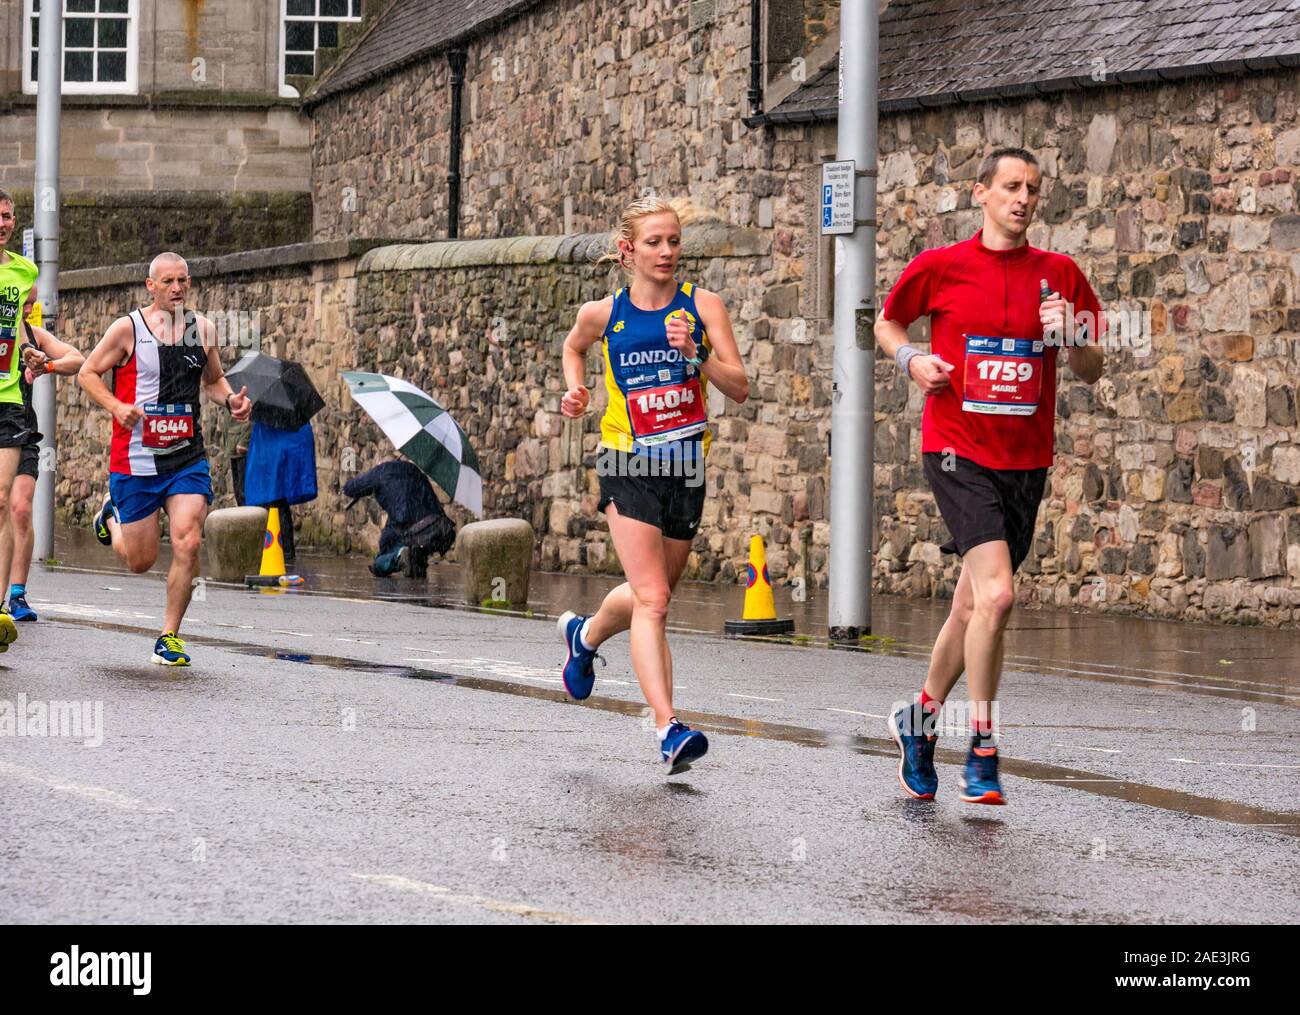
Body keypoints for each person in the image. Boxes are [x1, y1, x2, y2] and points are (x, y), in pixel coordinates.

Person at [874, 147, 1105, 804]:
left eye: (1032, 188)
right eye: (1010, 186)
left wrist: (1071, 337)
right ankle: (982, 743)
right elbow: (885, 322)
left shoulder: (1060, 275)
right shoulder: (942, 267)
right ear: (980, 192)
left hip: (1024, 462)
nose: (1023, 198)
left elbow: (1093, 368)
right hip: (957, 451)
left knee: (974, 603)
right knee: (999, 596)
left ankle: (917, 719)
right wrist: (912, 359)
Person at [557, 196, 749, 775]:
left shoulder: (702, 305)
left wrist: (696, 357)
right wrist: (576, 391)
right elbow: (574, 347)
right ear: (628, 252)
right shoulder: (604, 313)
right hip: (627, 461)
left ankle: (585, 637)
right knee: (656, 601)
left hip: (686, 466)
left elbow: (738, 386)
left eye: (673, 242)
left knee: (651, 594)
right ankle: (668, 727)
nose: (667, 252)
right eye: (654, 243)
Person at [77, 252, 252, 666]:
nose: (177, 289)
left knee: (189, 539)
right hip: (136, 458)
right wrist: (117, 407)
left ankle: (168, 636)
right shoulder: (127, 330)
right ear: (150, 286)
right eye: (168, 282)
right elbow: (87, 373)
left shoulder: (202, 328)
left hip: (186, 456)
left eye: (183, 281)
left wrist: (229, 400)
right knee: (141, 561)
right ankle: (111, 519)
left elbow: (211, 381)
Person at [2, 294, 85, 622]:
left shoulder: (36, 337)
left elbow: (77, 359)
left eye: (30, 302)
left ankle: (18, 594)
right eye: (20, 300)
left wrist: (45, 364)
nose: (25, 308)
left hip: (22, 432)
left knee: (20, 507)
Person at [0, 188, 39, 651]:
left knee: (5, 498)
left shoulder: (26, 272)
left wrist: (29, 349)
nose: (4, 223)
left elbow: (21, 326)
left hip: (9, 397)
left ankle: (2, 606)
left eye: (8, 216)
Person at [343, 458, 455, 577]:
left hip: (408, 529)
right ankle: (415, 558)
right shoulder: (415, 471)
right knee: (415, 552)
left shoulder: (381, 471)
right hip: (436, 528)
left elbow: (350, 488)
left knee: (379, 563)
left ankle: (399, 556)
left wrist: (371, 478)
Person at [243, 419, 318, 566]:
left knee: (274, 503)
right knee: (278, 502)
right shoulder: (293, 416)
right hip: (276, 453)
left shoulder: (266, 417)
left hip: (269, 454)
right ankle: (285, 552)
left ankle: (282, 552)